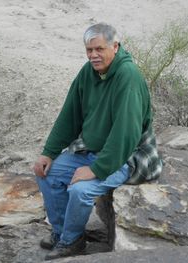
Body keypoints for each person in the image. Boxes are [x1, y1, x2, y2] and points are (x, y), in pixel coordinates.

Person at [33, 23, 162, 260]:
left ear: (115, 46)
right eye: (89, 50)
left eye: (99, 49)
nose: (93, 55)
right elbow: (69, 115)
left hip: (128, 155)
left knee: (80, 190)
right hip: (91, 149)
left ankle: (71, 243)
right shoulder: (88, 72)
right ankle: (65, 233)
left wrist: (96, 169)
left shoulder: (128, 77)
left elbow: (126, 134)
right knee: (47, 174)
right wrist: (48, 152)